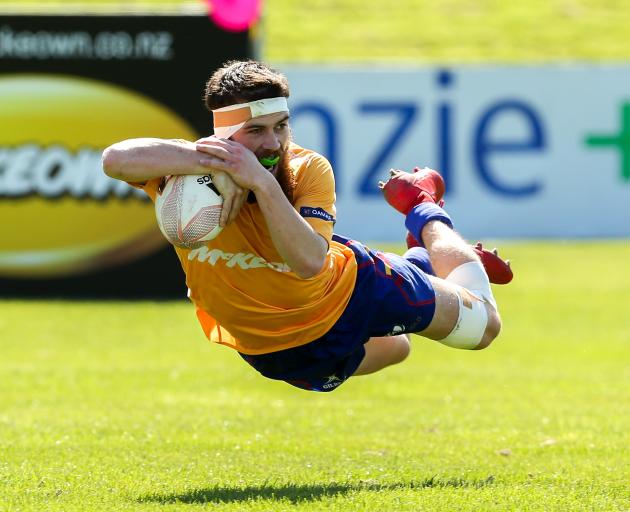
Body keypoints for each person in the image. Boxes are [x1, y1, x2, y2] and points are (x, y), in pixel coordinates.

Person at [102, 60, 510, 392]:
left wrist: (259, 181)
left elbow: (310, 262)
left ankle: (422, 208)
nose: (274, 143)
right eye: (256, 131)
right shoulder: (183, 174)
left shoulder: (306, 167)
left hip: (352, 291)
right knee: (396, 348)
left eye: (281, 126)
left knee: (482, 328)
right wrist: (213, 162)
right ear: (223, 136)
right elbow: (115, 160)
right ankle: (423, 262)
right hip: (272, 349)